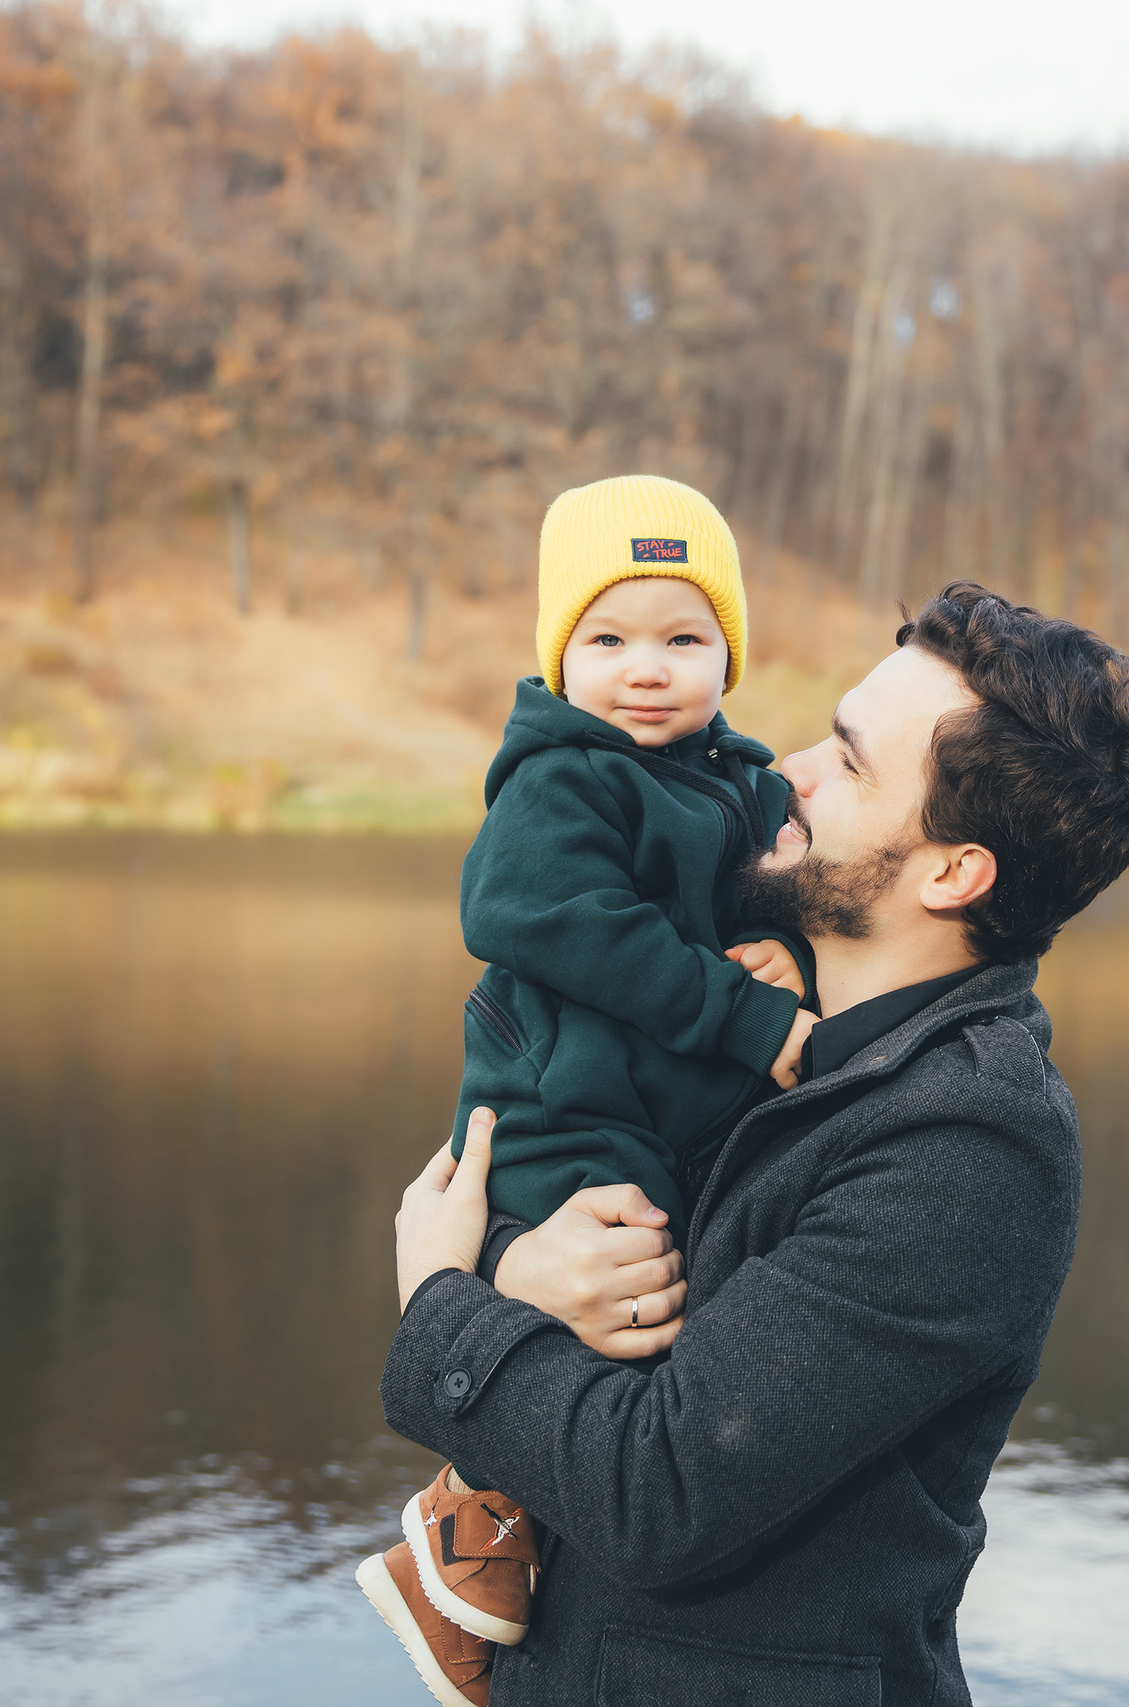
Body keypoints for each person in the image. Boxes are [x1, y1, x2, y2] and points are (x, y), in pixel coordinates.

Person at [378, 582, 1129, 1704]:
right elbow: (583, 1175)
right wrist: (519, 1265)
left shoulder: (966, 1144)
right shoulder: (768, 1014)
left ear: (953, 872)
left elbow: (656, 1490)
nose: (789, 771)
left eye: (849, 765)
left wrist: (442, 1295)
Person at [355, 473, 819, 1703]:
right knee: (604, 1293)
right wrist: (739, 1007)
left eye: (683, 638)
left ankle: (494, 1561)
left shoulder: (748, 785)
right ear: (561, 657)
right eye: (607, 640)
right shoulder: (565, 774)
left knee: (649, 1316)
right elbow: (527, 912)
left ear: (730, 654)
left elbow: (788, 911)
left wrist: (790, 956)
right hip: (560, 1094)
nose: (645, 669)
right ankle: (469, 1533)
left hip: (665, 1106)